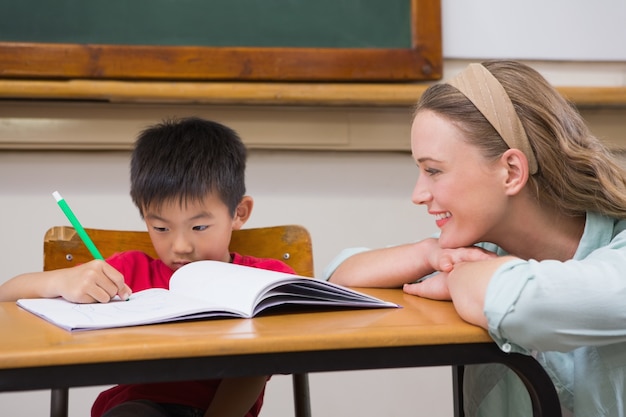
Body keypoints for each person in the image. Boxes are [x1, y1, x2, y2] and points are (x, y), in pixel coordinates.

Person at [324, 61, 626, 417]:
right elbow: (340, 275)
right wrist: (430, 252)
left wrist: (455, 276)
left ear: (511, 171)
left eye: (433, 171)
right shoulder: (479, 253)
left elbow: (524, 305)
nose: (418, 194)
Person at [0, 117, 296, 417]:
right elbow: (5, 297)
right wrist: (60, 281)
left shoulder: (266, 282)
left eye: (200, 226)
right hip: (139, 408)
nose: (180, 245)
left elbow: (263, 362)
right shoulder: (126, 273)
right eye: (161, 227)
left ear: (239, 213)